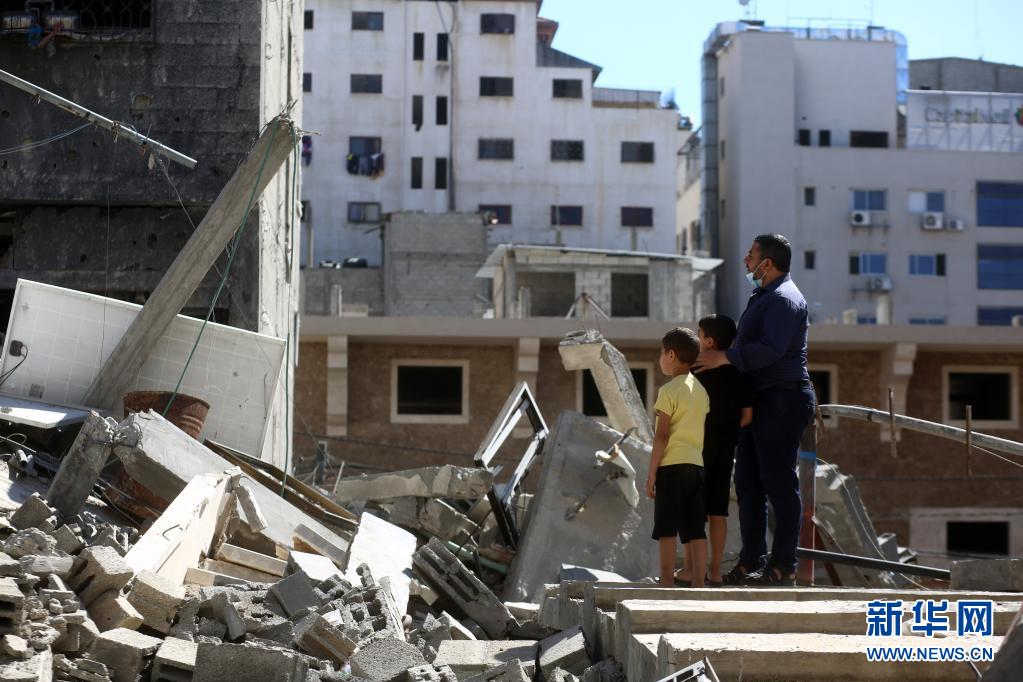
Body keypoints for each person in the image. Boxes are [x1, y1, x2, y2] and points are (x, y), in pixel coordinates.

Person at [693, 234, 815, 586]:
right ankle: (752, 561)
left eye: (751, 256)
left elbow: (771, 349)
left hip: (782, 399)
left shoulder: (783, 299)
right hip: (759, 400)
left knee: (779, 482)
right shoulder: (763, 296)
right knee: (748, 483)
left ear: (768, 263)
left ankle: (783, 566)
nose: (746, 261)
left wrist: (724, 357)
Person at [646, 327, 710, 588]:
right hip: (696, 466)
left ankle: (666, 583)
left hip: (671, 467)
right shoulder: (701, 391)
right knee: (696, 528)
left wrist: (652, 473)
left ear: (671, 355)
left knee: (666, 528)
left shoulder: (668, 391)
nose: (660, 358)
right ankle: (699, 584)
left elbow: (662, 435)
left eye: (661, 353)